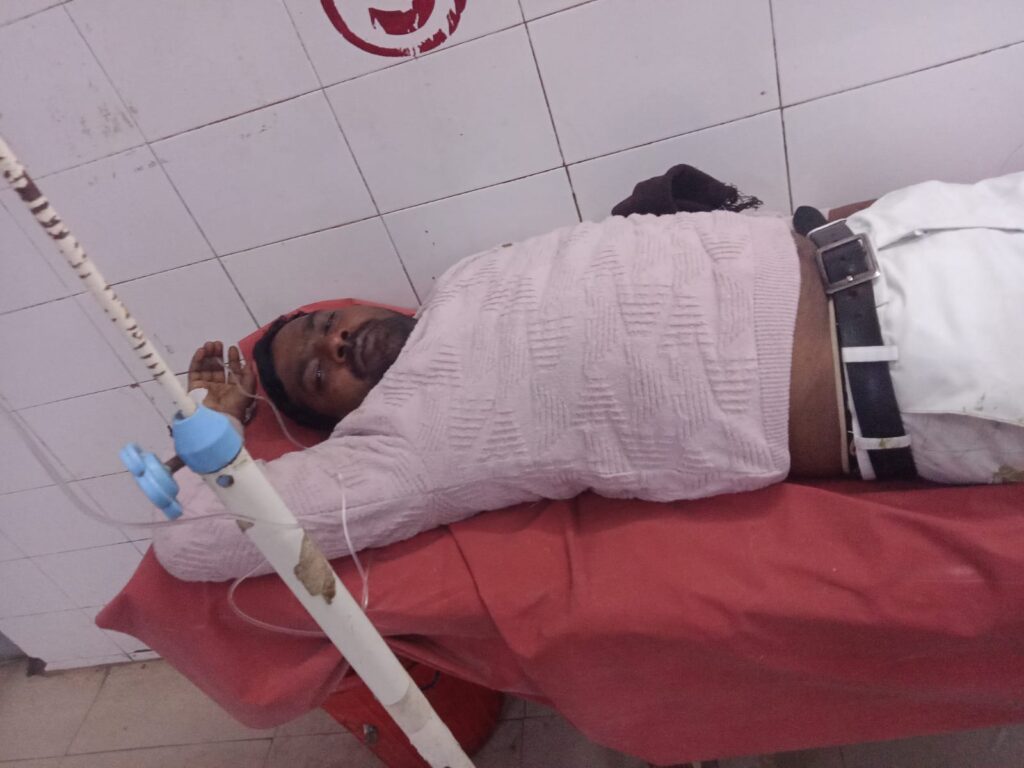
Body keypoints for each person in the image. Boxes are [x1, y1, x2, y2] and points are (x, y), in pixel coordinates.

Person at [154, 170, 1024, 582]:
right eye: (318, 376)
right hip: (918, 358)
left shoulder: (466, 276)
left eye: (324, 325)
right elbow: (193, 544)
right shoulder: (402, 445)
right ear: (338, 422)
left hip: (924, 227)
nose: (337, 344)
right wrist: (211, 421)